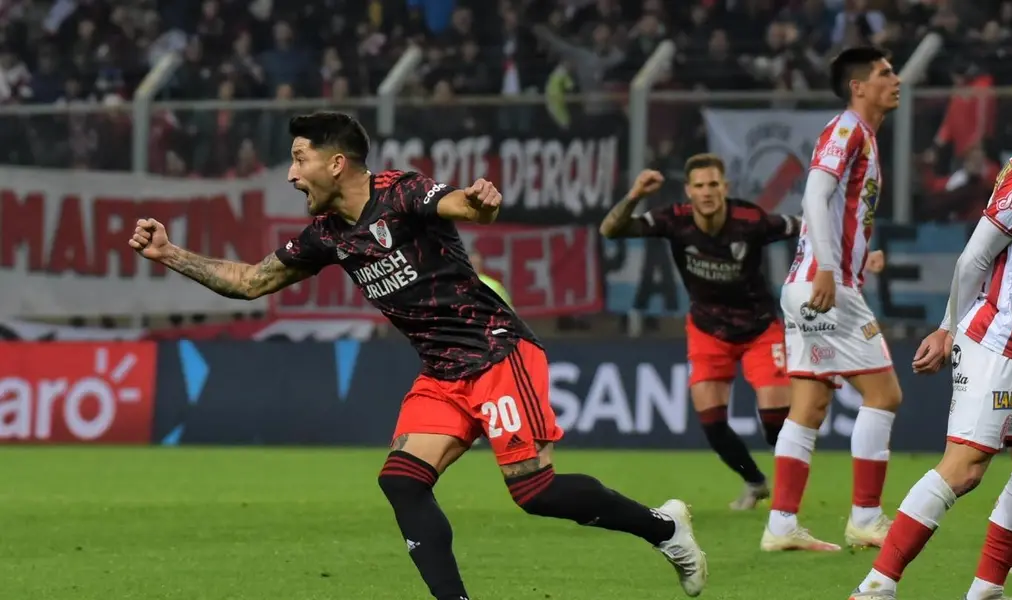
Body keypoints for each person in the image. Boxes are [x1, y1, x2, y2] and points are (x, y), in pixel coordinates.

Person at [127, 112, 707, 599]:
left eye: (299, 159)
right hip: (442, 372)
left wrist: (480, 201)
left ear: (336, 163)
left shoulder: (401, 192)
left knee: (534, 492)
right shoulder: (327, 233)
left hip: (496, 353)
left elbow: (462, 207)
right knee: (402, 480)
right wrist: (170, 253)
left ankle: (663, 527)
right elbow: (251, 281)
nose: (290, 174)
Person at [849, 66, 1012, 600]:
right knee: (963, 469)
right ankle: (876, 587)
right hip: (997, 343)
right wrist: (947, 330)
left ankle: (986, 590)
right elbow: (973, 257)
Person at [598, 154, 884, 511]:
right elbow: (610, 230)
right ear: (688, 191)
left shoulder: (750, 220)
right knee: (712, 423)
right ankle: (755, 482)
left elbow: (808, 226)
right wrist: (636, 193)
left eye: (713, 185)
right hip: (707, 330)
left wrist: (859, 253)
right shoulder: (674, 219)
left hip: (758, 328)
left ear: (725, 188)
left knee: (773, 423)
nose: (707, 192)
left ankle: (788, 497)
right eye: (699, 186)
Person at [767, 45, 904, 553]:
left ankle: (782, 527)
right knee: (884, 395)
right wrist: (829, 266)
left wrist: (856, 256)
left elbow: (838, 208)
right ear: (859, 86)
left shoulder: (862, 135)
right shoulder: (847, 127)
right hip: (825, 286)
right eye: (886, 73)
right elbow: (813, 194)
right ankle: (866, 517)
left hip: (813, 283)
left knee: (810, 403)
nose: (897, 80)